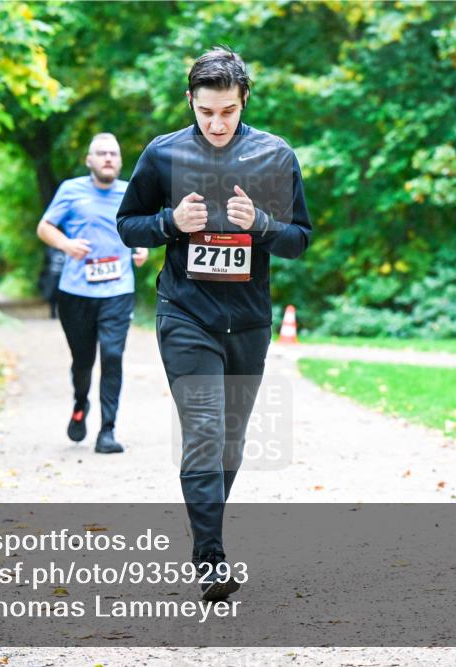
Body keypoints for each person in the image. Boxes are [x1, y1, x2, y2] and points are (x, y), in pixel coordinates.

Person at [116, 47, 311, 600]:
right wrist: (169, 223)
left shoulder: (275, 156)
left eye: (227, 111)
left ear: (243, 100)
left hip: (248, 321)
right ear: (191, 102)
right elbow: (128, 225)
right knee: (204, 431)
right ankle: (211, 559)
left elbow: (300, 239)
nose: (217, 123)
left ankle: (207, 533)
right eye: (206, 112)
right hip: (186, 314)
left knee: (231, 440)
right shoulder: (163, 155)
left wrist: (266, 225)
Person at [37, 133, 149, 454]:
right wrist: (66, 244)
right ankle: (80, 402)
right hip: (76, 291)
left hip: (118, 289)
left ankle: (108, 431)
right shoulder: (71, 190)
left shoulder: (131, 192)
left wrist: (140, 247)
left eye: (113, 153)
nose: (108, 158)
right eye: (101, 153)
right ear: (89, 160)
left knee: (112, 357)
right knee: (83, 360)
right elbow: (45, 227)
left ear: (120, 159)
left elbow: (139, 228)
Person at [38, 245, 65, 319]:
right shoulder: (49, 249)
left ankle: (61, 313)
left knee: (62, 296)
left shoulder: (68, 248)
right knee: (52, 295)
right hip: (52, 276)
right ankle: (52, 312)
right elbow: (46, 262)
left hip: (64, 276)